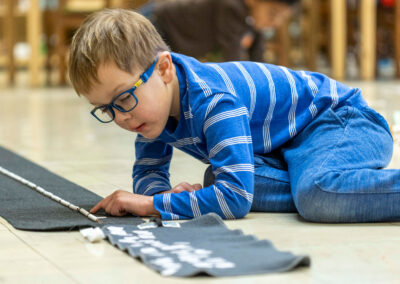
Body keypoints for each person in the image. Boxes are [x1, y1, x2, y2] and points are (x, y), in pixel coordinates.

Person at [68, 9, 398, 223]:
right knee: (219, 180)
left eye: (123, 98)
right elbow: (149, 169)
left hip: (342, 122)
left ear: (165, 68)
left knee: (316, 196)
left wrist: (151, 206)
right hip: (288, 149)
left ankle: (321, 184)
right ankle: (319, 182)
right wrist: (159, 196)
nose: (120, 119)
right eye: (106, 109)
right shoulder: (146, 110)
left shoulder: (212, 101)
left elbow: (236, 202)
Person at [138, 0, 296, 62]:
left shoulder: (253, 19)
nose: (276, 23)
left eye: (282, 18)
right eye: (273, 13)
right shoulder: (231, 7)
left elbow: (258, 59)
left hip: (169, 31)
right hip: (153, 22)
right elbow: (233, 59)